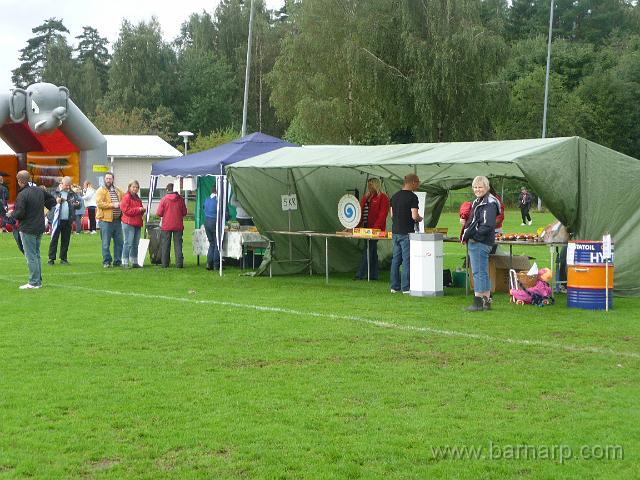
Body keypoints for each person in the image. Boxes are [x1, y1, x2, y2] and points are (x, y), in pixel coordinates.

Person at [8, 170, 56, 289]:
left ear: (19, 181)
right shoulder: (40, 190)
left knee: (31, 256)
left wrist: (11, 214)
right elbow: (52, 201)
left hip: (28, 228)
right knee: (36, 254)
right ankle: (38, 281)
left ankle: (34, 282)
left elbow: (20, 213)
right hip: (39, 226)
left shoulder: (23, 194)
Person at [462, 176, 500, 311]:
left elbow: (488, 225)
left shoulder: (488, 203)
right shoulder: (480, 201)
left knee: (478, 272)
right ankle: (486, 301)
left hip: (480, 242)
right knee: (482, 272)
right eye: (475, 187)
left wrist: (475, 237)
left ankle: (477, 302)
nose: (477, 189)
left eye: (480, 187)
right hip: (482, 241)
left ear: (487, 188)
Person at [389, 174, 422, 294]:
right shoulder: (413, 197)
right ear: (413, 182)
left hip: (395, 231)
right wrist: (419, 218)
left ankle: (394, 286)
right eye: (417, 182)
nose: (418, 185)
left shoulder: (394, 196)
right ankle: (406, 287)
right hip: (407, 233)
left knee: (396, 260)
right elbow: (414, 216)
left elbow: (392, 215)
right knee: (407, 260)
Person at [354, 178, 389, 280]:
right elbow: (359, 212)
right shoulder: (367, 197)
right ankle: (374, 275)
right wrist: (355, 226)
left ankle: (360, 274)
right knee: (372, 252)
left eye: (371, 185)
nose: (369, 187)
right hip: (365, 228)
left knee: (368, 250)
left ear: (376, 185)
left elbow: (382, 215)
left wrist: (374, 229)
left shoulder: (383, 198)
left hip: (375, 230)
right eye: (368, 185)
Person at [48, 176, 81, 265]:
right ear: (61, 183)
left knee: (65, 240)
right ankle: (51, 259)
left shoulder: (72, 193)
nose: (68, 187)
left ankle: (63, 258)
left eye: (69, 185)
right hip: (56, 220)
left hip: (67, 220)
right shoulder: (54, 192)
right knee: (54, 239)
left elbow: (79, 204)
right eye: (66, 185)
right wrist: (56, 200)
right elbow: (49, 203)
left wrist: (77, 204)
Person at [96, 172, 124, 268]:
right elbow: (99, 203)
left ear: (113, 180)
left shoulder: (117, 190)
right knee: (105, 243)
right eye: (107, 178)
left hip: (117, 220)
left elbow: (124, 200)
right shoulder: (101, 190)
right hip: (105, 221)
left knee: (119, 242)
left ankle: (118, 261)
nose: (108, 180)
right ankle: (107, 261)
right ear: (104, 179)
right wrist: (113, 205)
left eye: (110, 178)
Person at [156, 183, 188, 268]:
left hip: (166, 225)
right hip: (178, 225)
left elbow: (159, 213)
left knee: (165, 244)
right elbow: (184, 212)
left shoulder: (164, 199)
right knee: (178, 244)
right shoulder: (180, 199)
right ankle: (179, 264)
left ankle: (165, 264)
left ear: (167, 190)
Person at [120, 180, 146, 268]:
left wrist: (142, 210)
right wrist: (138, 210)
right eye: (133, 187)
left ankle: (134, 262)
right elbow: (126, 210)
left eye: (137, 187)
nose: (135, 189)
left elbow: (139, 209)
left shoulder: (137, 198)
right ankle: (125, 262)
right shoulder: (126, 197)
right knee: (128, 243)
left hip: (137, 223)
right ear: (129, 187)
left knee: (135, 243)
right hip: (128, 223)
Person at [203, 184, 221, 270]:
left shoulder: (206, 200)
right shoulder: (218, 201)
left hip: (207, 222)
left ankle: (209, 263)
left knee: (212, 243)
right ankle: (216, 265)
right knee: (217, 244)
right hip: (215, 223)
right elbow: (225, 214)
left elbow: (204, 209)